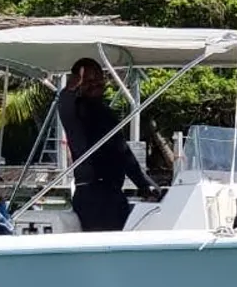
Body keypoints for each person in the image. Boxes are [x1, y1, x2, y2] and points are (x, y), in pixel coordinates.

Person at [57, 57, 160, 232]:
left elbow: (124, 153)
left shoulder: (106, 113)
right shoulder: (76, 111)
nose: (95, 84)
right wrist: (70, 88)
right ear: (77, 83)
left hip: (113, 194)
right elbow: (65, 107)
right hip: (92, 195)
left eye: (98, 79)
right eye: (88, 81)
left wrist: (144, 186)